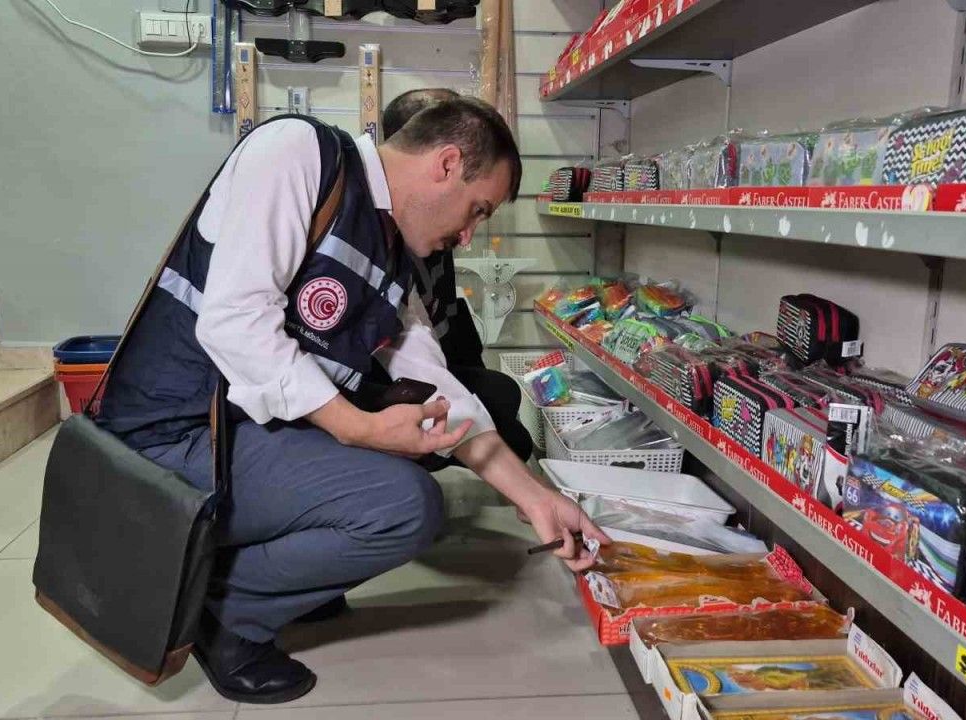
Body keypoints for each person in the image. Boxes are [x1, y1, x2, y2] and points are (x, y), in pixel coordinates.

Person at [95, 97, 608, 705]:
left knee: (407, 454)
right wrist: (355, 428)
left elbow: (437, 384)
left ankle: (273, 580)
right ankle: (226, 611)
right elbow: (234, 323)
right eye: (477, 210)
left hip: (232, 431)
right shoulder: (297, 153)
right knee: (403, 505)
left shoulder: (392, 250)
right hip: (169, 438)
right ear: (446, 164)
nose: (468, 236)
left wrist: (536, 496)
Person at [375, 88, 534, 465]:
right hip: (385, 388)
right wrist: (355, 426)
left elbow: (428, 332)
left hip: (425, 368)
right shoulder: (392, 236)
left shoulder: (431, 234)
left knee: (504, 401)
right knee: (507, 434)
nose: (466, 237)